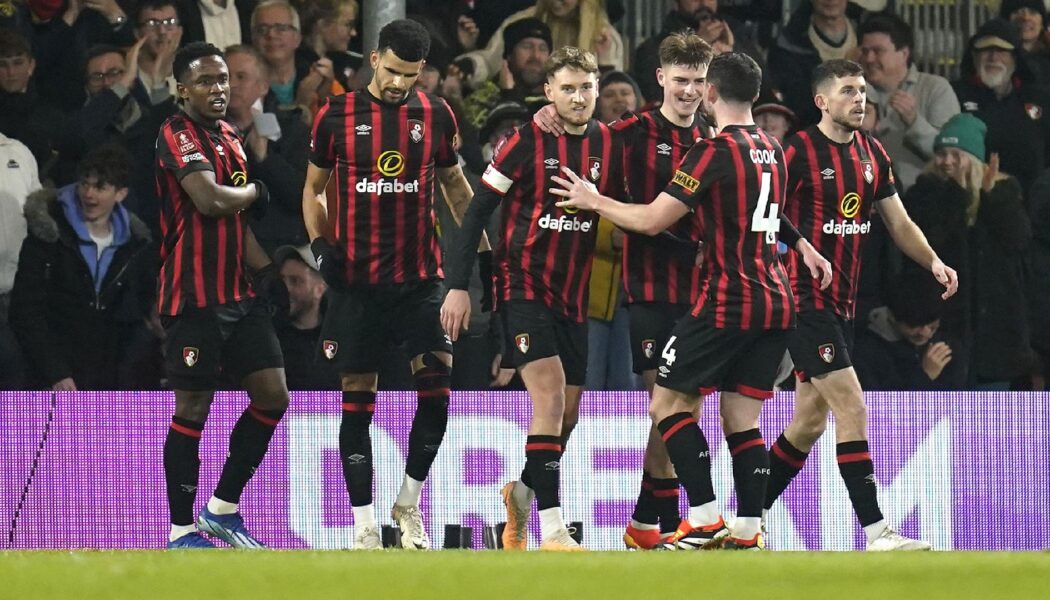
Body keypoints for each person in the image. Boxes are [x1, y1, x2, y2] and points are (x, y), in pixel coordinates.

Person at [549, 52, 832, 551]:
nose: (692, 91)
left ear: (712, 93)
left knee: (667, 402)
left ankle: (701, 517)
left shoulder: (712, 149)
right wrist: (805, 244)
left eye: (700, 83)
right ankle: (747, 529)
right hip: (777, 299)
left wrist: (594, 201)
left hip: (725, 297)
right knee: (742, 418)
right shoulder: (771, 145)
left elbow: (655, 220)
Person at [763, 59, 958, 551]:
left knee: (807, 423)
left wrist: (933, 261)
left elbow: (899, 222)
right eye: (848, 90)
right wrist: (794, 252)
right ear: (822, 101)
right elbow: (767, 213)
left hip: (842, 305)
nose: (860, 98)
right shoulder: (800, 151)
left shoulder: (872, 154)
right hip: (803, 300)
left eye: (863, 90)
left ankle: (747, 518)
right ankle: (878, 531)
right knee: (853, 406)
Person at [443, 46, 627, 551]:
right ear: (547, 92)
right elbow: (478, 209)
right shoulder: (525, 142)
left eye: (585, 87)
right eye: (566, 88)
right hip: (521, 286)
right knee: (547, 397)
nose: (577, 97)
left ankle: (521, 493)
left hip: (575, 295)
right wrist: (459, 285)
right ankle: (552, 528)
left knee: (567, 413)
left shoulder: (608, 143)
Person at [303, 19, 478, 550]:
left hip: (420, 281)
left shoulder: (435, 114)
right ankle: (362, 526)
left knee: (439, 395)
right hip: (357, 284)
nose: (400, 83)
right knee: (358, 401)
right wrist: (318, 247)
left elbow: (456, 187)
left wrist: (475, 263)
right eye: (393, 70)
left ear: (422, 70)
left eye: (411, 73)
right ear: (375, 59)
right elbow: (314, 190)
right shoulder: (334, 116)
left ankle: (408, 504)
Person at [156, 41, 290, 549]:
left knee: (273, 396)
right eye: (206, 81)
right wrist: (256, 191)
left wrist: (270, 273)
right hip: (193, 295)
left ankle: (222, 509)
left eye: (223, 80)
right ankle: (180, 530)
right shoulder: (175, 132)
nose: (218, 89)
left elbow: (237, 224)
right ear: (181, 89)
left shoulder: (231, 135)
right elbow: (211, 200)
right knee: (193, 407)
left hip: (238, 293)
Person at [10, 144, 157, 391]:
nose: (89, 194)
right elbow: (25, 310)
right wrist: (55, 371)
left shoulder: (133, 243)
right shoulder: (48, 234)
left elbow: (142, 303)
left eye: (100, 187)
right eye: (84, 184)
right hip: (52, 373)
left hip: (104, 374)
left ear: (120, 194)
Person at [905, 113, 1035, 390]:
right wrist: (956, 194)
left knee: (990, 417)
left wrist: (991, 196)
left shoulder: (1003, 189)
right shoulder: (925, 192)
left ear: (975, 157)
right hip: (944, 326)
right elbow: (932, 241)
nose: (947, 161)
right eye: (941, 153)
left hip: (996, 332)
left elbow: (1019, 240)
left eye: (957, 153)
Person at [857, 12, 960, 190]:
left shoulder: (935, 89)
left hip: (923, 202)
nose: (869, 59)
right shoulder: (852, 92)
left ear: (904, 53)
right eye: (865, 51)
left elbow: (955, 156)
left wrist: (914, 121)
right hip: (865, 203)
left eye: (878, 51)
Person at [952, 18, 1050, 193]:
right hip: (970, 199)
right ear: (974, 56)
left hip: (1031, 205)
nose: (993, 57)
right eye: (986, 50)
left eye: (1001, 50)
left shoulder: (1039, 99)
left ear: (1015, 58)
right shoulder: (955, 94)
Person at [853, 273, 966, 391]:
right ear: (892, 317)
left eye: (932, 325)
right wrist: (924, 376)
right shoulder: (866, 351)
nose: (925, 333)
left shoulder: (946, 344)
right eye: (914, 326)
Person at [272, 244, 339, 390]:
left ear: (320, 288)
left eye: (296, 281)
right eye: (282, 280)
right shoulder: (270, 341)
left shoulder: (341, 339)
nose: (286, 288)